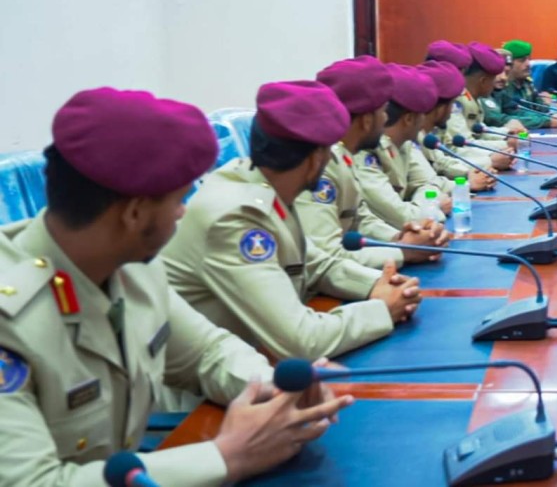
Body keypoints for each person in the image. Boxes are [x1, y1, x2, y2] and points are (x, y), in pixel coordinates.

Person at [0, 88, 350, 485]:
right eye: (179, 200)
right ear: (134, 212)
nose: (185, 212)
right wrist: (225, 456)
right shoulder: (10, 316)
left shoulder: (132, 269)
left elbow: (206, 353)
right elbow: (31, 482)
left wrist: (274, 388)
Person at [161, 80, 423, 361]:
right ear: (314, 161)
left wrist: (379, 286)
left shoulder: (262, 185)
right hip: (207, 399)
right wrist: (381, 310)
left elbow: (318, 264)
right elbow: (302, 340)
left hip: (258, 364)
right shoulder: (235, 216)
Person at [295, 56, 448, 270]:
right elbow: (325, 255)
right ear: (367, 121)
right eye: (382, 111)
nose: (386, 119)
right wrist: (403, 251)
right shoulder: (321, 164)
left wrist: (402, 237)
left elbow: (360, 219)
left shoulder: (341, 155)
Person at [356, 64, 451, 228]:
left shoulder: (403, 144)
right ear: (409, 120)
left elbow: (430, 184)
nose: (424, 122)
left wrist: (429, 203)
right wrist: (434, 205)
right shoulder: (366, 152)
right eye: (422, 115)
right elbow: (404, 218)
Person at [414, 61, 497, 193]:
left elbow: (440, 161)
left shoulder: (425, 131)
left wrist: (469, 173)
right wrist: (465, 184)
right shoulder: (409, 136)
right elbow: (426, 180)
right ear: (440, 109)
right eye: (452, 104)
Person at [430, 42, 516, 169]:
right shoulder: (444, 101)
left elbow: (477, 132)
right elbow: (454, 148)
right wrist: (491, 158)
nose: (462, 78)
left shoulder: (466, 96)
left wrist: (506, 137)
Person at [494, 40, 551, 129]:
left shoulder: (527, 83)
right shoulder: (500, 87)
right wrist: (546, 121)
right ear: (510, 63)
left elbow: (540, 108)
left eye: (529, 59)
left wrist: (548, 107)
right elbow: (505, 117)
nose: (528, 64)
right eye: (522, 60)